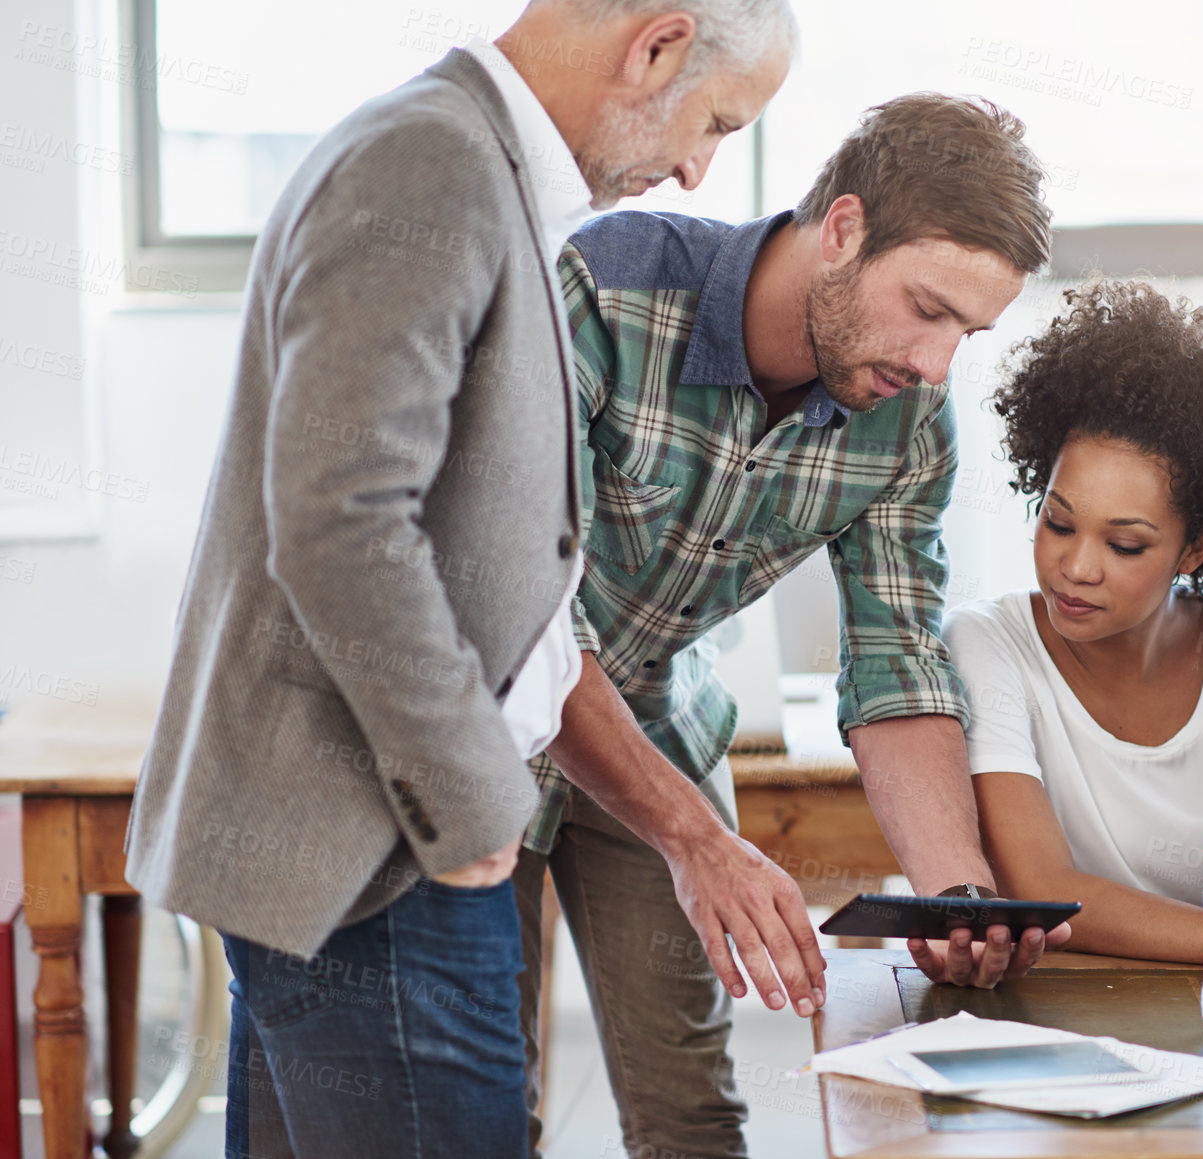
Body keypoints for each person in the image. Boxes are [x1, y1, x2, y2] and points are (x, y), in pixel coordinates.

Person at [123, 2, 794, 1156]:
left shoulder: (470, 163)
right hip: (383, 855)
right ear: (658, 45)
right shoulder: (429, 162)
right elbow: (342, 518)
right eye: (717, 121)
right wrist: (470, 794)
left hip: (365, 851)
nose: (698, 169)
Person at [514, 92, 1069, 1158]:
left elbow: (895, 656)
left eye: (969, 331)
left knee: (690, 1118)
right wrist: (699, 841)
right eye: (927, 308)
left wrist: (952, 891)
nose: (938, 363)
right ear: (845, 228)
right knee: (488, 1109)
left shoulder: (907, 418)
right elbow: (524, 616)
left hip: (655, 722)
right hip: (495, 725)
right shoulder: (604, 293)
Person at [942, 280, 1203, 963]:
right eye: (1057, 522)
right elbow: (1042, 887)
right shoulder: (987, 643)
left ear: (1195, 546)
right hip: (1079, 1011)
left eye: (1124, 544)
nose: (1075, 567)